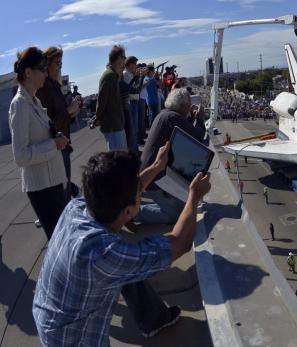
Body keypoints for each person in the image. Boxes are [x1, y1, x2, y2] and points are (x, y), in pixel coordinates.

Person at [32, 148, 212, 346]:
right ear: (128, 211)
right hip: (71, 339)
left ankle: (153, 319)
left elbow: (126, 193)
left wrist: (156, 166)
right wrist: (194, 196)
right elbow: (181, 242)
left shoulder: (77, 207)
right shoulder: (104, 253)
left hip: (48, 315)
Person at [9, 47, 69, 240]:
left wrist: (55, 138)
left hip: (51, 182)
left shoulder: (32, 101)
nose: (46, 73)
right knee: (58, 240)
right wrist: (54, 144)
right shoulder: (19, 104)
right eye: (42, 68)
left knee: (61, 239)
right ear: (28, 72)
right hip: (42, 187)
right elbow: (21, 156)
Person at [136, 88, 206, 225]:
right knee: (175, 215)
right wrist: (200, 119)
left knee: (182, 205)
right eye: (189, 105)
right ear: (183, 106)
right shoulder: (173, 118)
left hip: (149, 174)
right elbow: (198, 136)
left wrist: (191, 118)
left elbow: (184, 130)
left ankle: (136, 207)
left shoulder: (165, 114)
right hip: (155, 180)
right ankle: (135, 214)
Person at [37, 46, 81, 200]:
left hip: (63, 144)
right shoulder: (45, 88)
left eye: (61, 64)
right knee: (62, 191)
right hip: (57, 147)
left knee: (64, 188)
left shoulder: (55, 85)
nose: (60, 67)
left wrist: (72, 112)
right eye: (58, 63)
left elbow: (60, 118)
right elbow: (49, 124)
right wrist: (69, 111)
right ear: (47, 65)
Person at [95, 45, 127, 150]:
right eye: (124, 57)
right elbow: (101, 101)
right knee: (118, 159)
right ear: (118, 58)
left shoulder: (113, 75)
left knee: (120, 157)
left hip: (116, 124)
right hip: (113, 126)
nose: (125, 60)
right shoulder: (109, 76)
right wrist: (98, 118)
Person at [123, 56, 142, 152]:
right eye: (135, 64)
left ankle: (135, 149)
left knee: (135, 128)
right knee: (133, 129)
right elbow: (132, 90)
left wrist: (138, 77)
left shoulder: (131, 74)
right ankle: (133, 151)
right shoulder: (126, 74)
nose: (136, 66)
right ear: (130, 64)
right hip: (131, 102)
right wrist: (136, 76)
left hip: (135, 101)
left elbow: (138, 87)